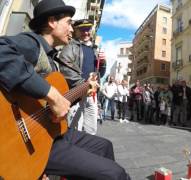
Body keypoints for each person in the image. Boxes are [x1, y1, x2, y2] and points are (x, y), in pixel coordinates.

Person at [0, 0, 130, 179]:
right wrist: (52, 94)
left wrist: (84, 89)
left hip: (51, 132)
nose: (72, 29)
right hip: (30, 140)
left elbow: (59, 102)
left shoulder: (54, 59)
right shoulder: (31, 43)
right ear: (52, 22)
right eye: (69, 23)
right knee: (116, 174)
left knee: (105, 146)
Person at [59, 19, 103, 135]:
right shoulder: (70, 46)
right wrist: (84, 84)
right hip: (76, 93)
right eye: (82, 30)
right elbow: (65, 68)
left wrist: (103, 64)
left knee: (91, 129)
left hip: (91, 95)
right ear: (76, 31)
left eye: (88, 29)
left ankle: (86, 149)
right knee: (74, 128)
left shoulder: (94, 50)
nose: (86, 32)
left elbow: (99, 73)